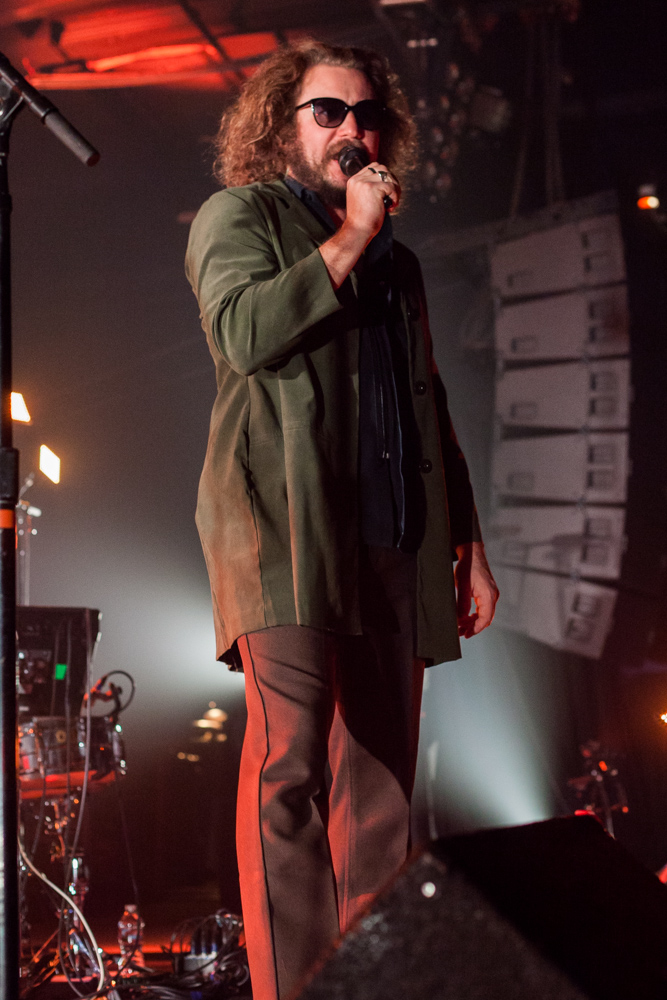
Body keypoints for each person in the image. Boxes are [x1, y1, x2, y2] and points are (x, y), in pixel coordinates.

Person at [185, 40, 499, 1000]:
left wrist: (467, 540)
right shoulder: (241, 215)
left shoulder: (396, 262)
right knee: (288, 772)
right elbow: (242, 331)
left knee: (381, 794)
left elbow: (427, 402)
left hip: (391, 540)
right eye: (328, 111)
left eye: (366, 113)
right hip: (282, 533)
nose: (351, 130)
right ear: (283, 125)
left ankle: (369, 985)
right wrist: (350, 239)